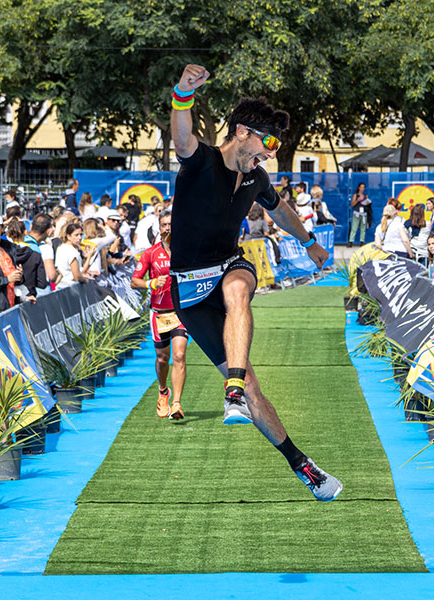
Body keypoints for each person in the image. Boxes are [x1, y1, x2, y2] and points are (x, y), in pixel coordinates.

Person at [170, 64, 340, 500]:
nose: (268, 155)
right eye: (266, 144)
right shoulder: (200, 161)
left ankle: (232, 392)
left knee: (239, 287)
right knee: (256, 392)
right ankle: (302, 465)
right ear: (241, 132)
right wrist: (183, 92)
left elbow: (280, 209)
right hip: (188, 290)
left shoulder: (257, 177)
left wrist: (310, 242)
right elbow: (182, 136)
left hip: (229, 264)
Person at [131, 211, 187, 420]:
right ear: (159, 227)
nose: (168, 228)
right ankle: (163, 391)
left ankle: (177, 404)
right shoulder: (150, 253)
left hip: (180, 312)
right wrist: (151, 283)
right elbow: (134, 281)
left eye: (171, 224)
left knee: (180, 355)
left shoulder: (186, 250)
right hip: (159, 314)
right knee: (163, 359)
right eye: (164, 225)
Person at [55, 222, 93, 289]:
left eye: (81, 235)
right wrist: (85, 280)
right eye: (76, 235)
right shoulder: (72, 252)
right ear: (68, 236)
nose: (79, 237)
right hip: (69, 287)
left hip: (60, 285)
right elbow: (76, 276)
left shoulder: (60, 247)